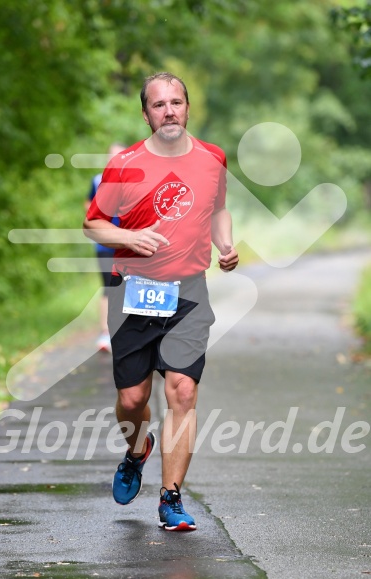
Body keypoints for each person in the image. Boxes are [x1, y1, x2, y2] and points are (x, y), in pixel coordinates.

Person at [83, 72, 239, 531]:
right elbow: (93, 225)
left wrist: (225, 245)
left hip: (188, 291)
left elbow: (218, 208)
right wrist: (130, 235)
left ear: (188, 107)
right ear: (145, 113)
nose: (168, 111)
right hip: (133, 290)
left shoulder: (212, 158)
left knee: (183, 392)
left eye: (176, 102)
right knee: (132, 399)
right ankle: (137, 449)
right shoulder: (125, 164)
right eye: (158, 104)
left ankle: (170, 499)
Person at [84, 143, 126, 352]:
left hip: (129, 244)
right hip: (104, 244)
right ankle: (104, 333)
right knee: (109, 287)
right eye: (111, 156)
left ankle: (125, 331)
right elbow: (88, 206)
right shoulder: (97, 180)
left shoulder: (134, 180)